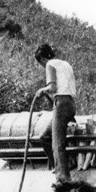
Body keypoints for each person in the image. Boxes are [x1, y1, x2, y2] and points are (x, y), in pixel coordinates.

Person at [34, 43, 77, 180]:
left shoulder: (50, 65)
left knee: (57, 142)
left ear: (42, 59)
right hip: (70, 104)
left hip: (61, 103)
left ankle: (62, 176)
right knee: (45, 137)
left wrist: (42, 90)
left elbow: (52, 88)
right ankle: (59, 166)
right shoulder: (65, 64)